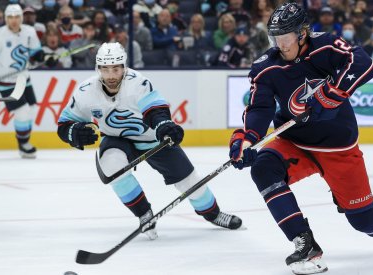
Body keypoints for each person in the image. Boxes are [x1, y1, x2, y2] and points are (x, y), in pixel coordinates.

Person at [228, 3, 373, 274]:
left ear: (302, 34)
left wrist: (329, 95)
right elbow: (259, 108)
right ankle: (304, 242)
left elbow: (363, 63)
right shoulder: (266, 67)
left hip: (338, 147)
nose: (280, 45)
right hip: (294, 142)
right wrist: (246, 139)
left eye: (285, 38)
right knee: (264, 168)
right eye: (275, 38)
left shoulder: (325, 45)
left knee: (363, 221)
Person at [57, 42, 243, 240]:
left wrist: (163, 125)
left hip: (151, 138)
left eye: (116, 68)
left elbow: (156, 110)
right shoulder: (86, 91)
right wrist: (73, 133)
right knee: (111, 164)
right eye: (105, 69)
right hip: (116, 140)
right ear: (98, 68)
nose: (111, 75)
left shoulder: (138, 82)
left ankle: (213, 214)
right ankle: (144, 214)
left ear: (124, 67)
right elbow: (65, 124)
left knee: (188, 180)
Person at [0, 4, 44, 158]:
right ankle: (24, 144)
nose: (13, 21)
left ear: (21, 17)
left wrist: (43, 57)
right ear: (6, 18)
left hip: (23, 78)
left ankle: (24, 142)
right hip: (5, 81)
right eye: (10, 17)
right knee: (22, 112)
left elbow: (36, 54)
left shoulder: (30, 32)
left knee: (31, 110)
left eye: (16, 17)